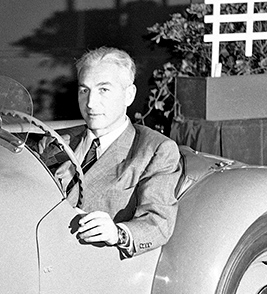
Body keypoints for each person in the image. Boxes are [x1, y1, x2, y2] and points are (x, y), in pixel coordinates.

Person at [35, 47, 182, 257]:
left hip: (98, 267)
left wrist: (117, 233)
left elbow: (158, 223)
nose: (91, 103)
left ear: (129, 95)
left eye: (104, 89)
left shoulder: (154, 150)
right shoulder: (54, 140)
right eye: (84, 90)